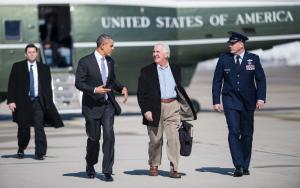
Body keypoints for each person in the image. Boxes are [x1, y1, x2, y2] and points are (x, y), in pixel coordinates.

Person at [137, 43, 197, 179]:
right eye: (153, 51)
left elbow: (178, 89)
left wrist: (182, 106)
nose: (155, 54)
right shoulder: (146, 71)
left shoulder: (176, 69)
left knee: (174, 139)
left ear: (166, 54)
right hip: (154, 109)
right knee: (155, 140)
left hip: (172, 107)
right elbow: (141, 94)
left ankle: (174, 168)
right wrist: (146, 110)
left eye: (158, 51)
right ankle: (154, 164)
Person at [212, 31, 266, 177]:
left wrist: (261, 98)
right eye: (229, 43)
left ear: (241, 44)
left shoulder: (253, 59)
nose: (229, 45)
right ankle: (238, 165)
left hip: (248, 101)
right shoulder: (224, 59)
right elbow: (217, 80)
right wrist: (216, 101)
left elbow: (260, 80)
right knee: (234, 131)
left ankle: (245, 164)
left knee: (247, 134)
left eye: (232, 43)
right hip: (230, 100)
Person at [75, 34, 128, 182]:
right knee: (94, 139)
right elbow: (79, 83)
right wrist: (94, 90)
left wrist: (121, 87)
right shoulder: (85, 62)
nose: (113, 48)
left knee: (109, 136)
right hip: (91, 106)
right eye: (111, 45)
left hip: (107, 105)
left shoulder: (110, 61)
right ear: (102, 45)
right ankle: (90, 164)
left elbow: (112, 80)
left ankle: (107, 170)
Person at [7, 43, 64, 160]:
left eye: (34, 52)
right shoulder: (17, 67)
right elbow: (12, 85)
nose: (32, 54)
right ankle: (21, 148)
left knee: (39, 126)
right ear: (25, 54)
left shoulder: (44, 68)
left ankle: (40, 152)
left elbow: (47, 87)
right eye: (29, 52)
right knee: (24, 129)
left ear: (37, 54)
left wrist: (49, 102)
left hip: (38, 101)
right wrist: (11, 101)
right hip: (23, 102)